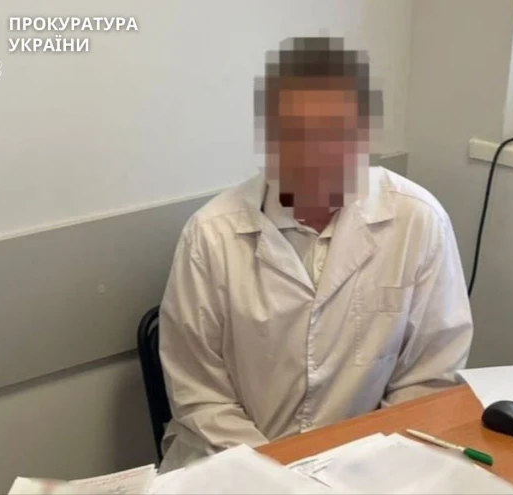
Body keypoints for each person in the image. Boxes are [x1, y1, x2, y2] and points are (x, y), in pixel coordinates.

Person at [157, 36, 473, 473]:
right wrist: (280, 474)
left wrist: (361, 465)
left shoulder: (418, 221)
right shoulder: (211, 236)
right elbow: (200, 395)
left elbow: (430, 375)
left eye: (335, 132)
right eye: (296, 133)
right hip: (236, 465)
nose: (316, 153)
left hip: (370, 465)